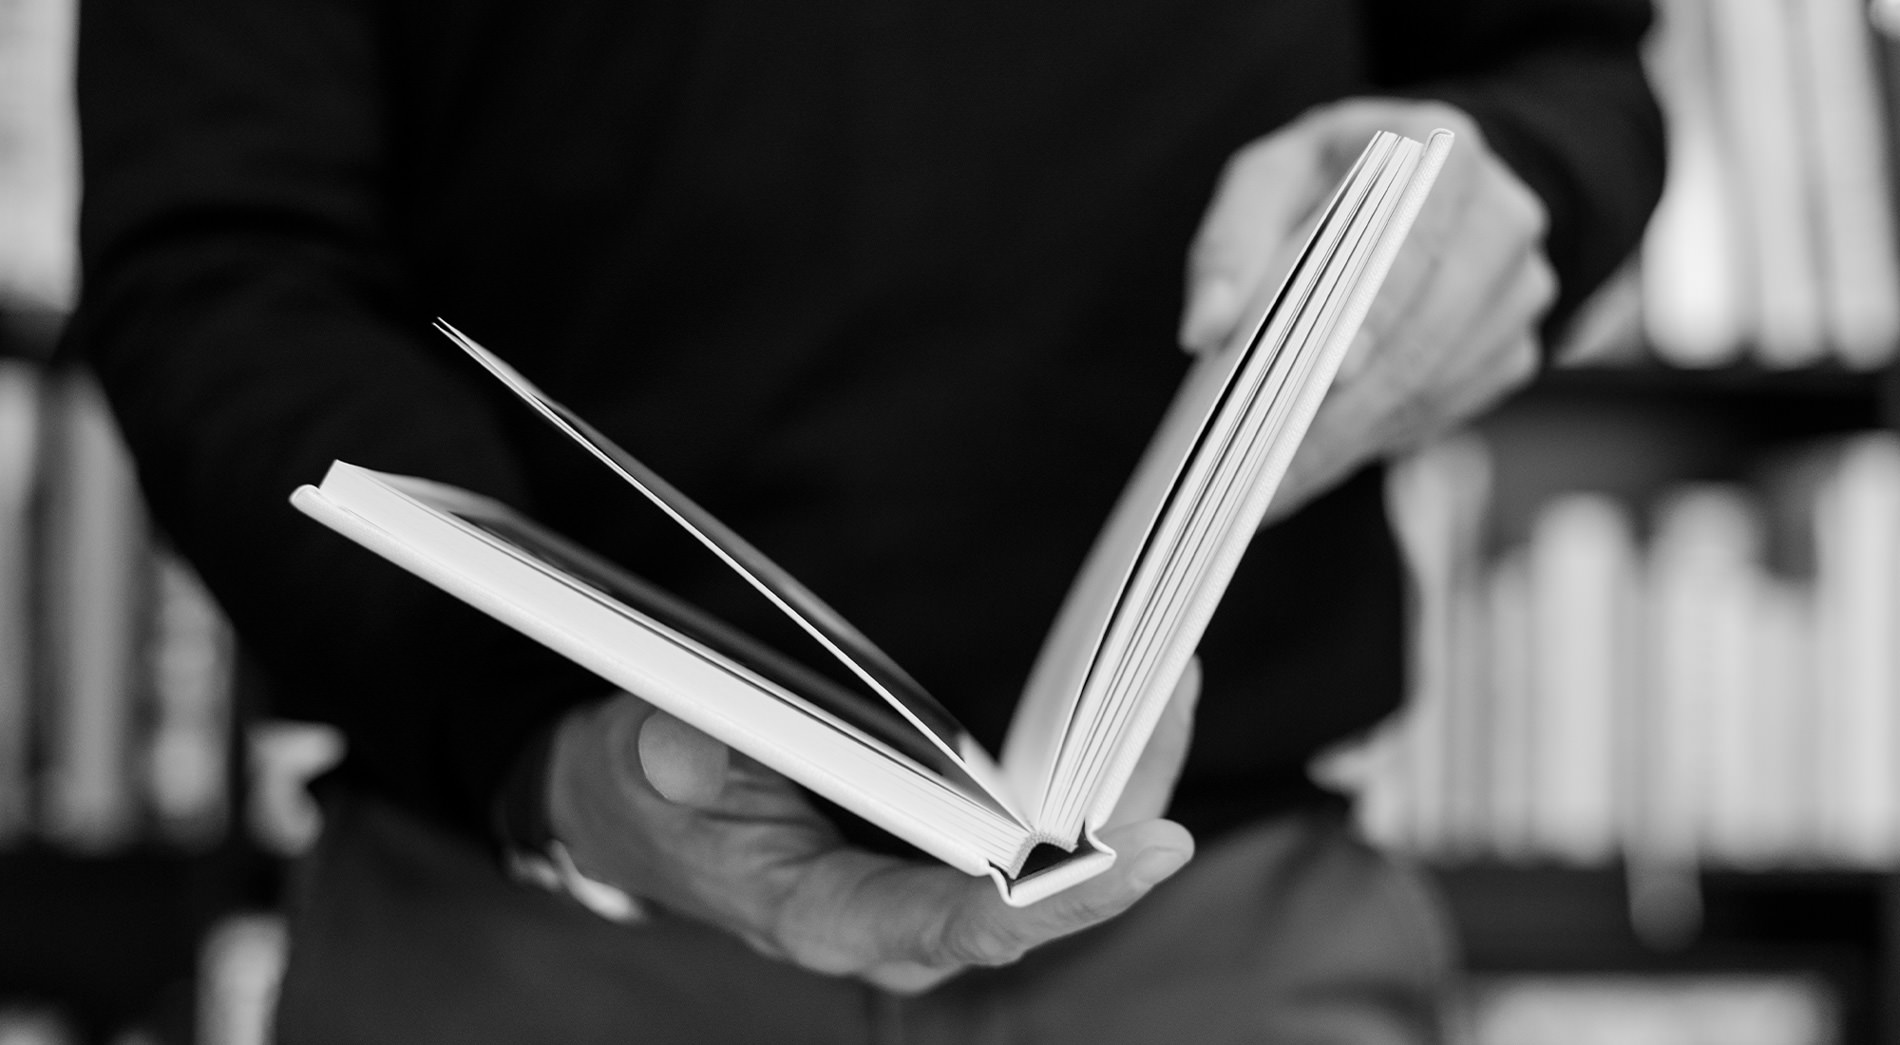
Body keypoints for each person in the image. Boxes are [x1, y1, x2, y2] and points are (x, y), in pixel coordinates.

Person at [69, 0, 1662, 1040]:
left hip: (1207, 918)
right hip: (531, 907)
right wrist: (537, 738)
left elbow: (1576, 67)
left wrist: (1506, 176)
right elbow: (224, 259)